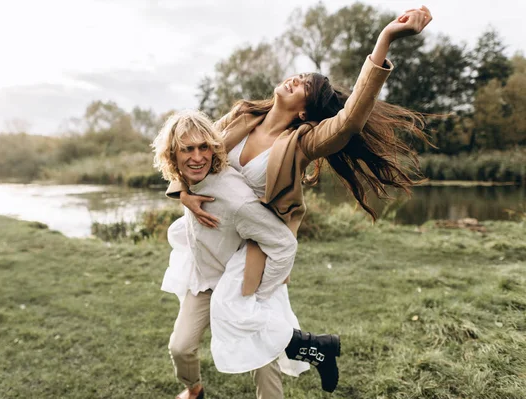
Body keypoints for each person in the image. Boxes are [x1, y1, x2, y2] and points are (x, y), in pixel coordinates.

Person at [167, 6, 433, 299]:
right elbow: (193, 148)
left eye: (306, 85)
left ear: (306, 110)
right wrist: (183, 193)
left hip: (253, 245)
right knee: (195, 331)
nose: (296, 79)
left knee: (244, 325)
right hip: (216, 236)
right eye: (301, 75)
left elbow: (349, 121)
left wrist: (385, 38)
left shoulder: (302, 143)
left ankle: (299, 342)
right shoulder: (241, 115)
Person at [152, 110, 340, 399]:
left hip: (239, 285)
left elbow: (283, 244)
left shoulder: (236, 199)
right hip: (204, 278)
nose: (197, 157)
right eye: (187, 149)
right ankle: (194, 389)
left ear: (214, 149)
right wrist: (183, 195)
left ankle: (317, 348)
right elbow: (181, 179)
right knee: (180, 347)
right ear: (173, 155)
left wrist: (261, 292)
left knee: (263, 359)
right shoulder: (189, 180)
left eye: (204, 147)